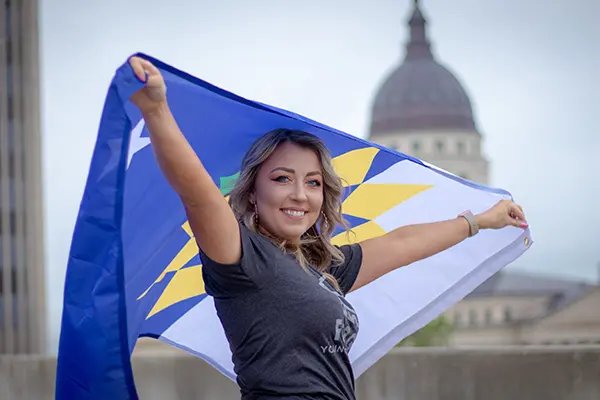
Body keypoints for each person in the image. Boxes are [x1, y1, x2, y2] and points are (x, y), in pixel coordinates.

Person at [128, 56, 528, 400]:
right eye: (282, 178)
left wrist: (479, 221)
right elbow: (198, 195)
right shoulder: (241, 258)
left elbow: (403, 243)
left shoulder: (320, 267)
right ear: (252, 192)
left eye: (313, 182)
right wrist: (158, 112)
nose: (300, 194)